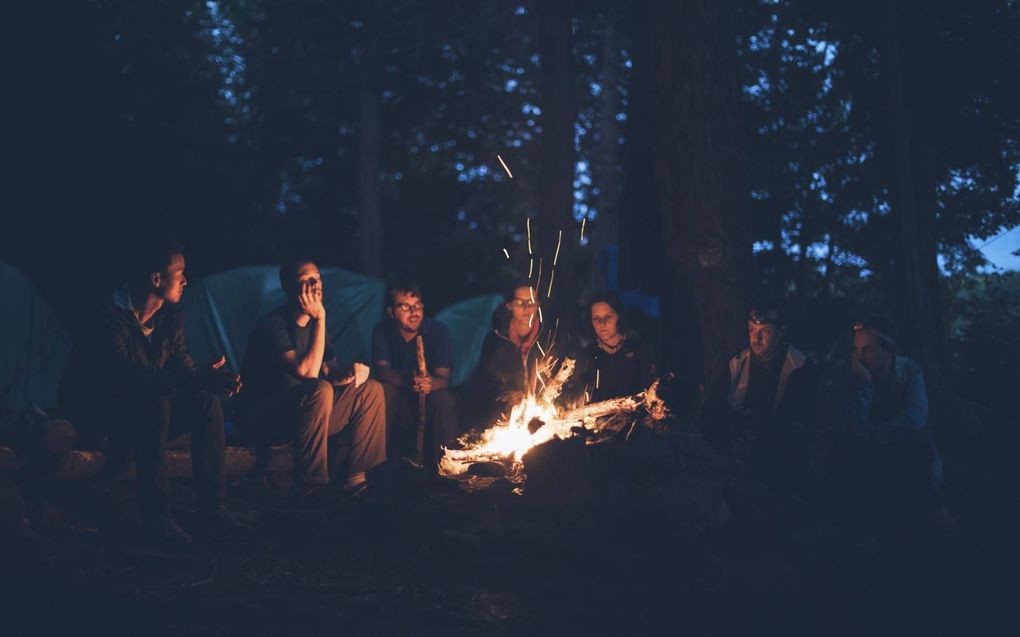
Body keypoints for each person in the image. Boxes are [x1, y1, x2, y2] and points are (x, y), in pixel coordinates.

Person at [59, 244, 250, 547]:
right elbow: (124, 378)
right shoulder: (108, 317)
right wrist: (189, 379)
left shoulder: (169, 317)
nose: (186, 281)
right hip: (104, 417)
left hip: (148, 414)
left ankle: (213, 509)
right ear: (156, 279)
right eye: (180, 274)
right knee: (156, 403)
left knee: (206, 402)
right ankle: (158, 517)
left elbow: (180, 366)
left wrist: (203, 380)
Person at [238, 259, 386, 505]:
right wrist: (320, 318)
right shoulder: (273, 326)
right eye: (306, 280)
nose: (315, 285)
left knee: (370, 390)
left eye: (317, 278)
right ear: (288, 287)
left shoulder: (318, 328)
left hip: (309, 416)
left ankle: (359, 480)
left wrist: (351, 373)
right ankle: (312, 485)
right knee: (319, 388)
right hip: (269, 419)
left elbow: (329, 370)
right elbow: (306, 372)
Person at [833, 315, 947, 546]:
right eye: (856, 349)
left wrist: (875, 433)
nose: (859, 356)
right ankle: (869, 530)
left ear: (888, 350)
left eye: (867, 349)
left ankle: (932, 509)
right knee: (850, 453)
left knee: (921, 446)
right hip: (867, 446)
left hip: (895, 439)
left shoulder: (909, 370)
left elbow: (916, 418)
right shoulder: (853, 374)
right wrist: (864, 385)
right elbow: (854, 428)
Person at [701, 306, 815, 489]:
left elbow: (796, 420)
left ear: (781, 332)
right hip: (736, 446)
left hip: (777, 454)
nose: (756, 339)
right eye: (752, 330)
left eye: (766, 332)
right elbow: (714, 408)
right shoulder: (738, 363)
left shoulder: (798, 367)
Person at [371, 280, 458, 469]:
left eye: (418, 305)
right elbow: (382, 371)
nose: (414, 312)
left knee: (443, 400)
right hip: (400, 399)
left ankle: (448, 467)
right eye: (406, 306)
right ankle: (376, 466)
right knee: (382, 392)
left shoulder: (437, 331)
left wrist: (429, 383)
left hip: (429, 399)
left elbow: (444, 379)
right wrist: (407, 379)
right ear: (391, 311)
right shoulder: (383, 331)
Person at [467, 280, 556, 426]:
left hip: (544, 414)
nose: (527, 308)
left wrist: (537, 398)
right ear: (509, 305)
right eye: (520, 303)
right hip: (506, 416)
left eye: (531, 302)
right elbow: (485, 382)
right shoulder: (495, 340)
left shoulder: (550, 338)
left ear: (538, 305)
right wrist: (505, 395)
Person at [562, 292, 656, 406]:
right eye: (596, 318)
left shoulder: (639, 348)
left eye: (608, 317)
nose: (602, 323)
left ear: (619, 317)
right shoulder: (587, 356)